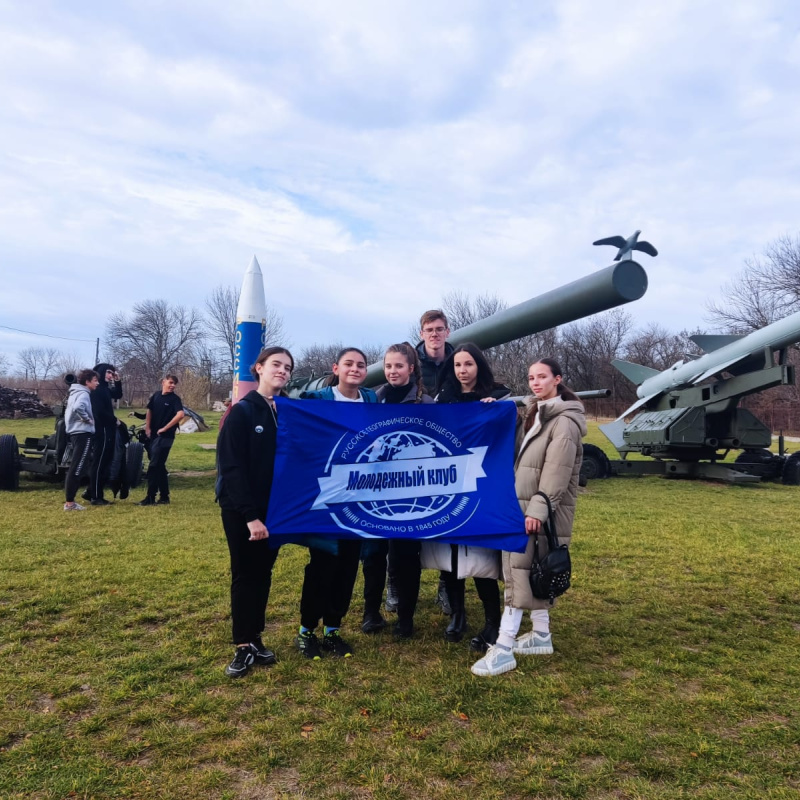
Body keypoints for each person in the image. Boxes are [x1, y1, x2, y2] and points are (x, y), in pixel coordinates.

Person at [471, 358, 586, 677]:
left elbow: (557, 471)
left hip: (540, 511)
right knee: (534, 571)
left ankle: (504, 647)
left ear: (557, 379)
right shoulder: (537, 413)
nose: (535, 382)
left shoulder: (564, 422)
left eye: (542, 377)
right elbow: (518, 452)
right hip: (523, 506)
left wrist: (538, 509)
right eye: (531, 377)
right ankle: (541, 635)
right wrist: (497, 409)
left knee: (517, 574)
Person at [295, 347, 379, 659]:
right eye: (349, 364)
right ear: (337, 368)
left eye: (361, 365)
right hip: (325, 498)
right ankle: (306, 630)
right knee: (322, 565)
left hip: (358, 497)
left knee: (347, 566)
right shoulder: (318, 399)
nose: (355, 369)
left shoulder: (371, 400)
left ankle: (333, 629)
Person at [216, 346, 294, 678]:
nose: (282, 371)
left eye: (288, 368)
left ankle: (256, 636)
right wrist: (250, 516)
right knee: (245, 574)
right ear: (259, 368)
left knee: (263, 574)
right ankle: (243, 645)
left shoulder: (288, 411)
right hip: (242, 511)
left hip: (273, 509)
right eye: (276, 364)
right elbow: (231, 468)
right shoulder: (242, 411)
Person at [432, 343, 510, 652]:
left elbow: (507, 437)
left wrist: (495, 412)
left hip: (483, 485)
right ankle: (458, 614)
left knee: (481, 554)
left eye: (468, 364)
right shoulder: (443, 399)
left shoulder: (500, 396)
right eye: (457, 365)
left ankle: (492, 620)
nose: (463, 370)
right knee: (451, 555)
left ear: (479, 366)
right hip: (450, 483)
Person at [362, 343, 433, 638]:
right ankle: (371, 612)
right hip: (375, 490)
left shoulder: (426, 403)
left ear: (411, 369)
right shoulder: (372, 401)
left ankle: (406, 618)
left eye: (399, 366)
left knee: (406, 555)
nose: (392, 371)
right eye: (388, 366)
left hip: (409, 491)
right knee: (374, 553)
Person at [414, 310, 455, 616]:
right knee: (407, 515)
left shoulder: (460, 361)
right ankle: (397, 583)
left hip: (450, 447)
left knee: (447, 517)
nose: (435, 334)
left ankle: (447, 585)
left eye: (439, 329)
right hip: (414, 450)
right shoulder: (410, 361)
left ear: (447, 331)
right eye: (429, 329)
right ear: (422, 333)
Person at [137, 375, 184, 506]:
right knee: (160, 466)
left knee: (153, 465)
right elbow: (149, 410)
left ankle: (150, 497)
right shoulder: (156, 395)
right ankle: (164, 497)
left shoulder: (175, 399)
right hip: (154, 435)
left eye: (174, 383)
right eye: (171, 382)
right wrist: (147, 427)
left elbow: (180, 414)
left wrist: (165, 428)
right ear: (163, 382)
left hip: (166, 437)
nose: (173, 385)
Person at [86, 363, 123, 506]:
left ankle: (92, 492)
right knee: (99, 462)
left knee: (105, 462)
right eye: (108, 372)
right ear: (100, 373)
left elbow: (118, 394)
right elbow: (99, 412)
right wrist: (115, 420)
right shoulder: (96, 390)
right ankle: (95, 496)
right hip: (100, 430)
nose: (110, 375)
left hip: (107, 430)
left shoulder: (105, 389)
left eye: (112, 373)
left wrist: (118, 381)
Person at [63, 369, 99, 511]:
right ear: (87, 381)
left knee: (77, 466)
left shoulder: (75, 392)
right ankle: (70, 504)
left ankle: (70, 502)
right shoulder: (83, 393)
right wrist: (87, 419)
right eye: (95, 380)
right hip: (82, 433)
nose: (97, 383)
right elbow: (79, 407)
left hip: (75, 433)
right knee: (78, 467)